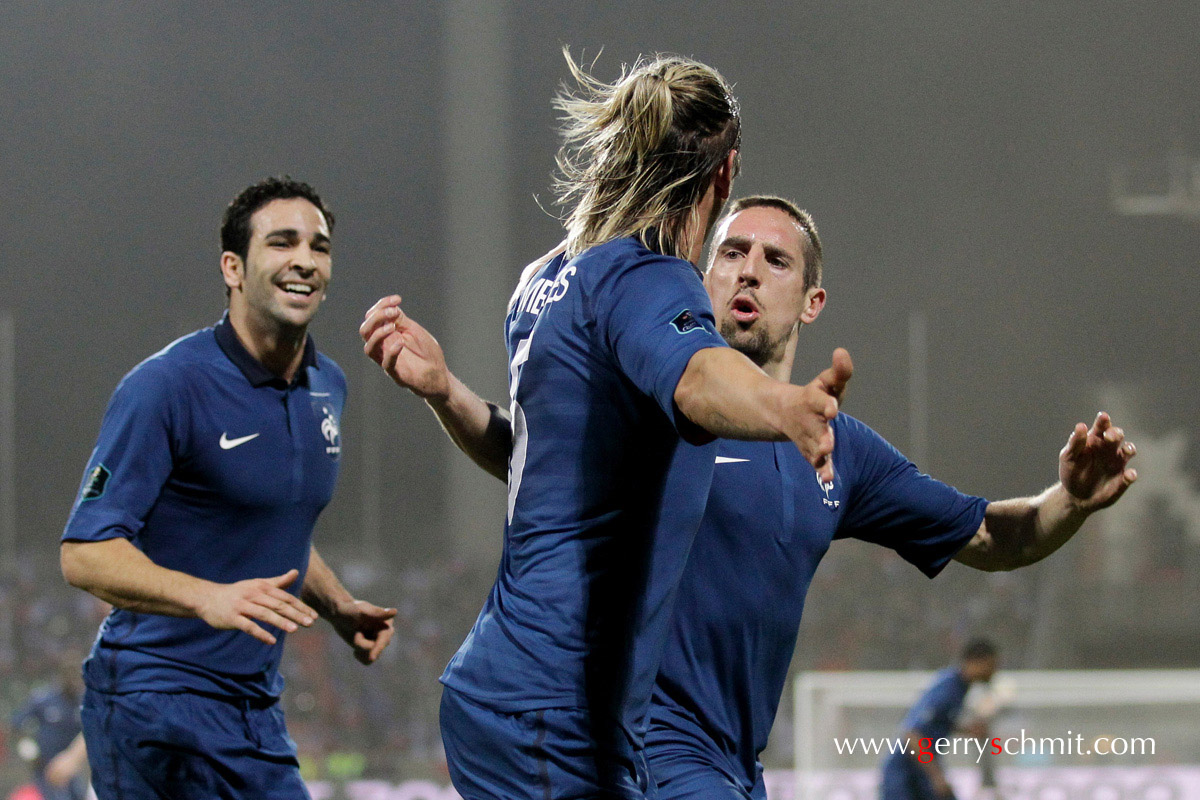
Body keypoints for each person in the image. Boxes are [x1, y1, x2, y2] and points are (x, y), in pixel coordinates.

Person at [361, 194, 1137, 800]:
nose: (747, 270)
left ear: (812, 302)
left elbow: (995, 537)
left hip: (733, 758)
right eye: (730, 251)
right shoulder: (657, 398)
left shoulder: (843, 450)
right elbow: (527, 461)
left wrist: (1069, 500)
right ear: (703, 276)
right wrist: (444, 392)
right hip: (641, 745)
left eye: (775, 259)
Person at [364, 53, 851, 800]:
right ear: (724, 178)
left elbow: (546, 463)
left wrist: (444, 392)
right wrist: (779, 405)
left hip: (506, 691)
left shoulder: (545, 278)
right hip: (559, 709)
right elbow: (694, 375)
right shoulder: (649, 277)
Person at [60, 177, 397, 800]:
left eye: (319, 247)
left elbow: (273, 523)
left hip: (251, 709)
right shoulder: (166, 386)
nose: (305, 259)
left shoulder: (330, 386)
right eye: (283, 242)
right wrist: (205, 598)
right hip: (152, 702)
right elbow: (85, 552)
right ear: (234, 268)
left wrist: (338, 607)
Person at [880, 641, 1000, 800]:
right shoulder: (948, 689)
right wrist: (936, 776)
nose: (993, 671)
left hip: (922, 770)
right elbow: (913, 735)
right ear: (974, 662)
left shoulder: (959, 687)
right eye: (991, 665)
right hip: (905, 773)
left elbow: (937, 721)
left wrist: (966, 730)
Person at [11, 657, 87, 800]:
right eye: (68, 675)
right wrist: (29, 750)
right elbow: (17, 724)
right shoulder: (44, 699)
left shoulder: (85, 701)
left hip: (73, 765)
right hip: (45, 764)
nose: (73, 681)